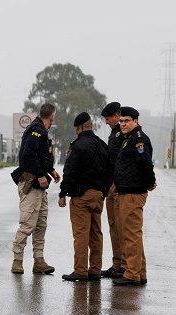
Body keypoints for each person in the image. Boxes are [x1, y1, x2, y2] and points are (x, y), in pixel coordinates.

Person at [58, 112, 111, 281]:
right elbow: (110, 171)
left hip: (81, 196)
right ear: (90, 126)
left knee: (81, 234)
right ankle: (95, 269)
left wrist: (63, 193)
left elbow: (70, 172)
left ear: (79, 127)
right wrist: (104, 190)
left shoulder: (77, 145)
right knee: (96, 233)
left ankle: (80, 270)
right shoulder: (102, 145)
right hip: (98, 195)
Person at [10, 103, 61, 274]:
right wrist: (40, 174)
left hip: (39, 186)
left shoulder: (42, 131)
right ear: (52, 116)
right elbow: (28, 155)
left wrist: (51, 170)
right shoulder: (36, 130)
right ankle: (17, 261)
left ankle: (39, 261)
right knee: (27, 224)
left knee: (41, 225)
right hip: (31, 183)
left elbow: (41, 156)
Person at [112, 107, 156, 286]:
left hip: (132, 193)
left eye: (126, 121)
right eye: (121, 121)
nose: (122, 124)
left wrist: (149, 182)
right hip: (126, 192)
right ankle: (140, 272)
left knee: (131, 235)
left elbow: (145, 163)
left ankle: (132, 274)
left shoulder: (138, 140)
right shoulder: (128, 139)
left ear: (136, 121)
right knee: (133, 235)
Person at [100, 102, 127, 279]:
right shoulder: (114, 133)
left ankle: (125, 266)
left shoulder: (122, 133)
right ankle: (117, 263)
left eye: (108, 118)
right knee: (113, 227)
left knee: (122, 228)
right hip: (111, 185)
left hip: (118, 186)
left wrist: (116, 183)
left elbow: (121, 160)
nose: (107, 122)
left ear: (116, 116)